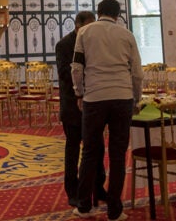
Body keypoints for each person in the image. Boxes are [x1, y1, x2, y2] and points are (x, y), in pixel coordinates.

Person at [71, 0, 143, 221]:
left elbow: (76, 67)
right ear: (117, 14)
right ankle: (114, 210)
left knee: (91, 152)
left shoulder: (85, 33)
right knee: (118, 155)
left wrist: (79, 93)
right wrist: (136, 99)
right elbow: (137, 74)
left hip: (94, 98)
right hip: (122, 98)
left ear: (98, 12)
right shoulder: (127, 35)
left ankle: (83, 206)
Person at [56, 11, 109, 209]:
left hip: (93, 102)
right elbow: (64, 74)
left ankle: (98, 187)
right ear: (77, 26)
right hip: (72, 106)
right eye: (88, 26)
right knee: (72, 151)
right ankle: (73, 191)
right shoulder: (64, 45)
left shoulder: (93, 43)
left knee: (97, 147)